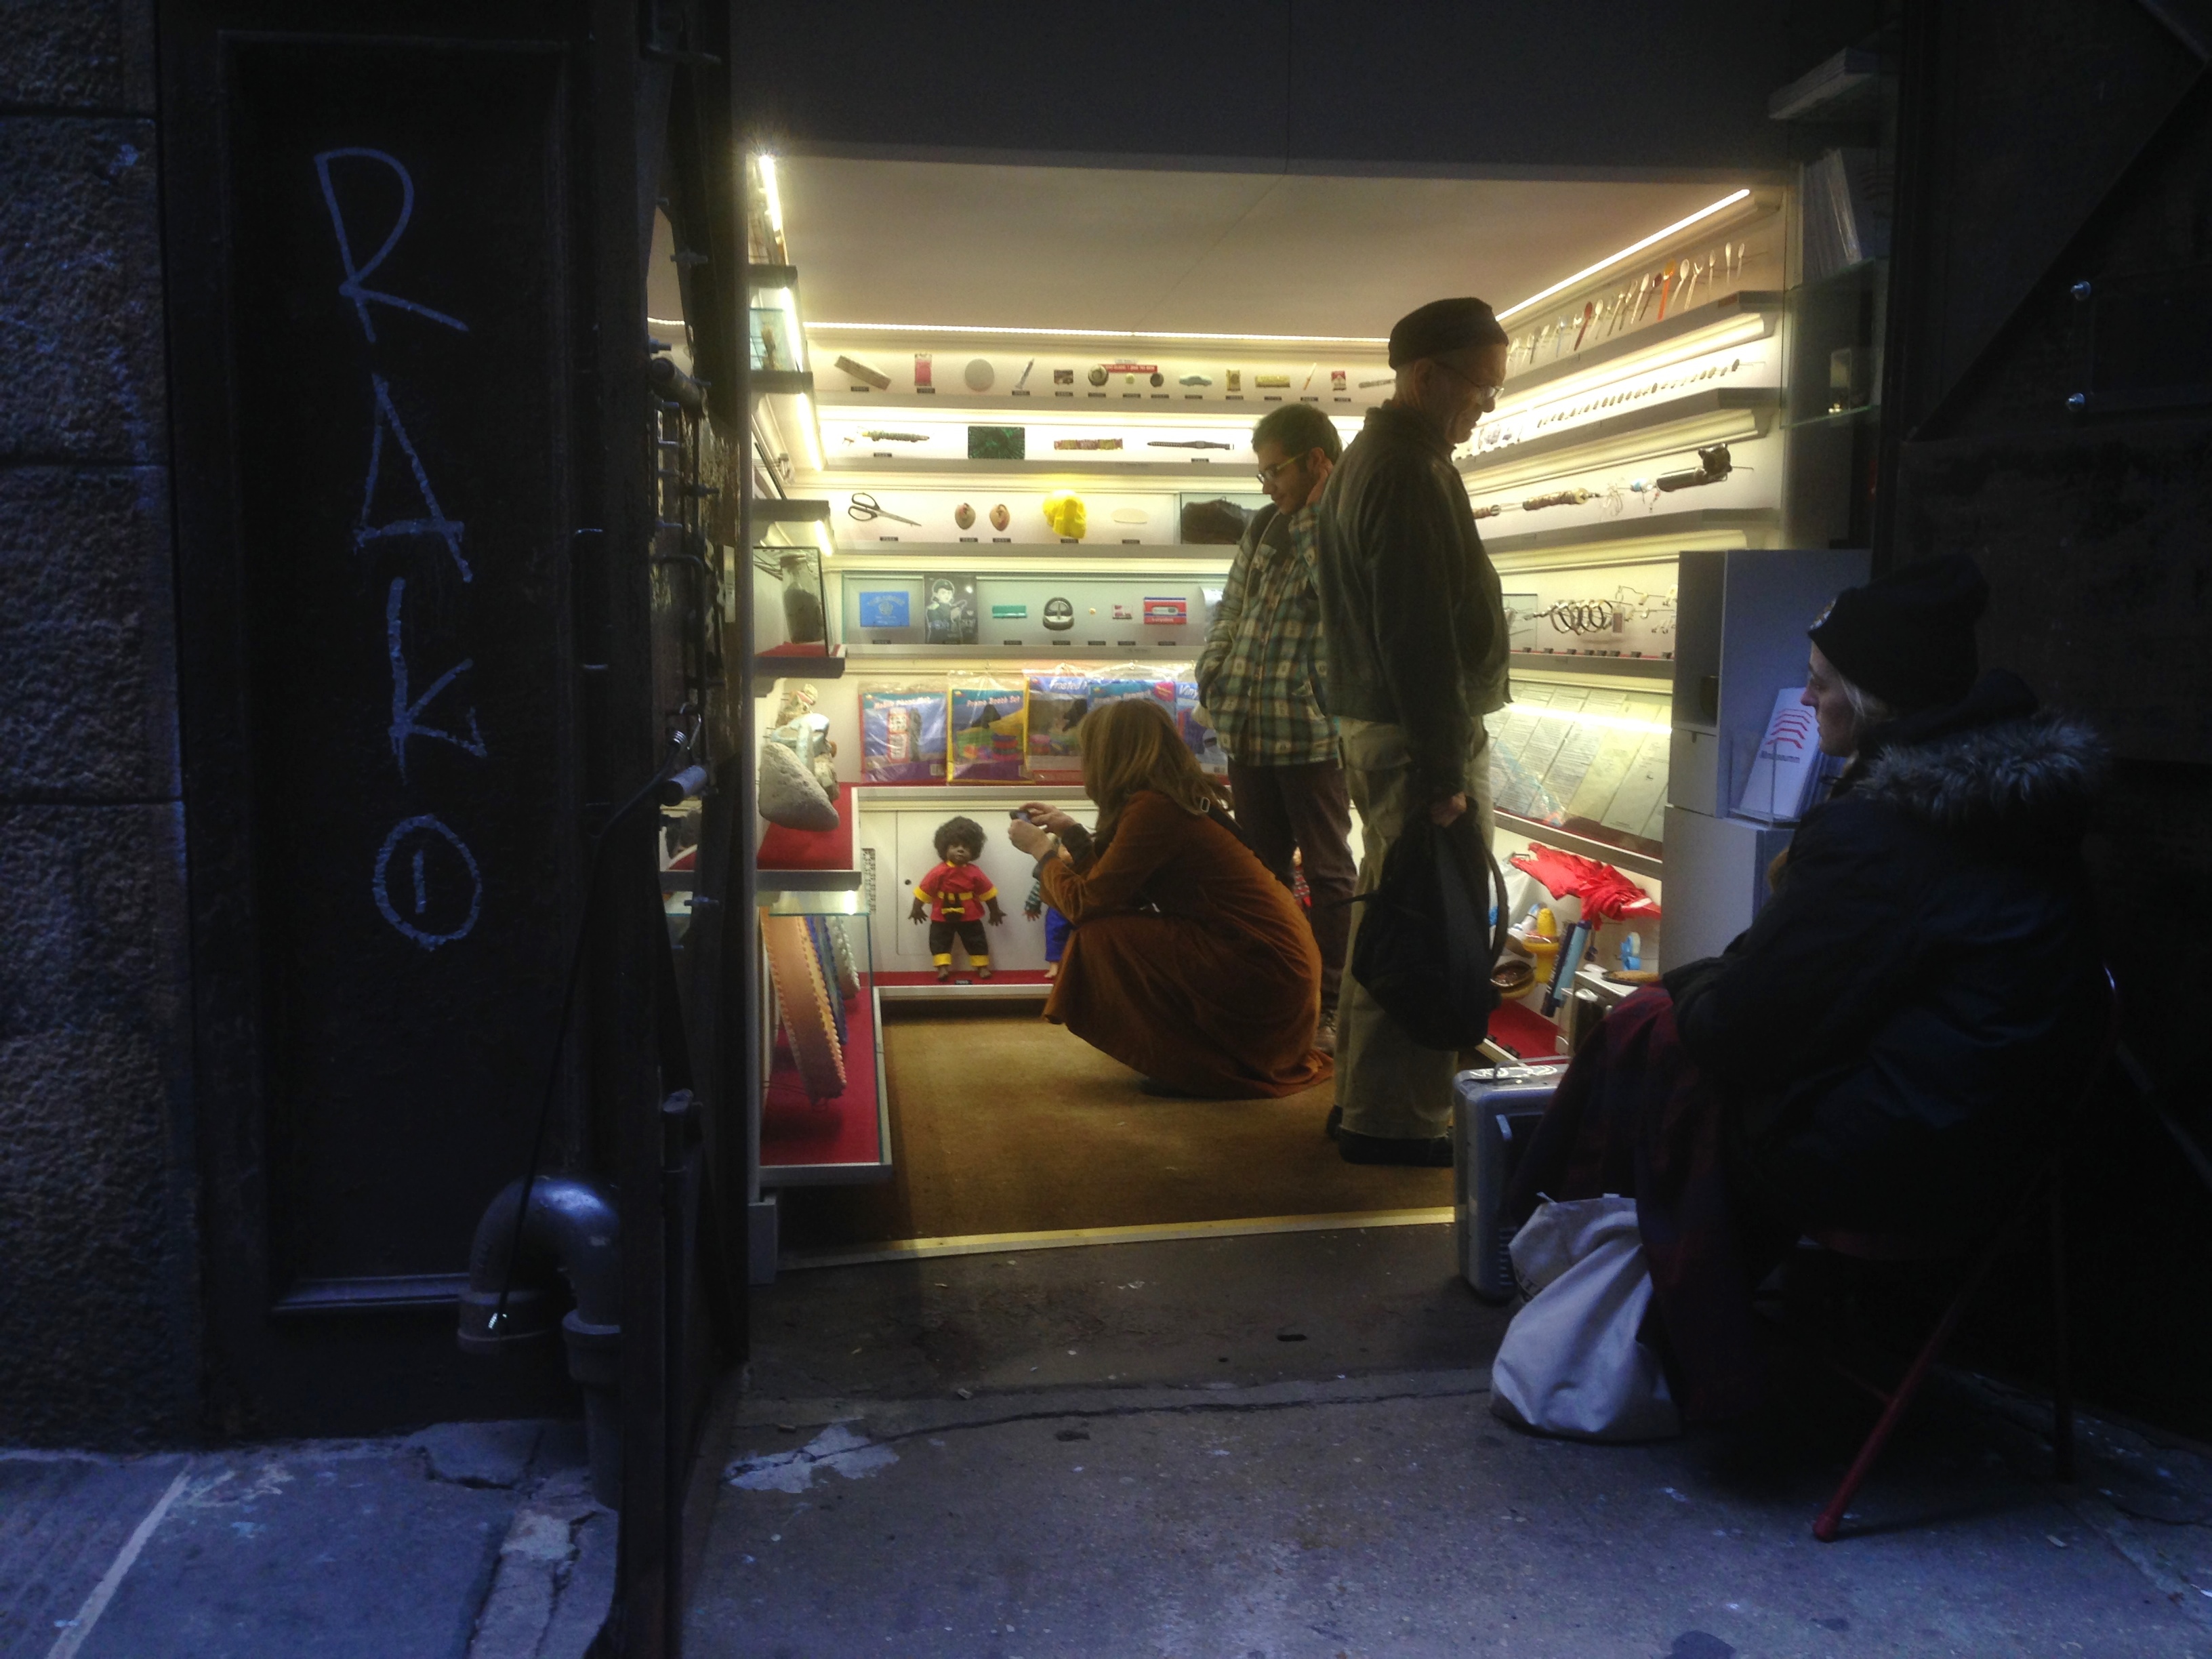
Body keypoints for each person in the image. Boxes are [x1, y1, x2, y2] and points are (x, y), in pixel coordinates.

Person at [1506, 554, 2106, 1422]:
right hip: (2000, 1141)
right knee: (1663, 1029)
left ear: (1870, 697)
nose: (1809, 695)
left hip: (1902, 1158)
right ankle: (1619, 1293)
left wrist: (1691, 988)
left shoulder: (1885, 831)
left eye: (1822, 682)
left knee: (1662, 1052)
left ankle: (1632, 1320)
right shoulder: (2011, 810)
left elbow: (1745, 1029)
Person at [1310, 296, 1512, 1165]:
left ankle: (1363, 1098)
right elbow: (1417, 631)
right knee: (1432, 926)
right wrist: (1443, 770)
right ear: (1427, 377)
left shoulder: (1370, 461)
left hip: (1381, 727)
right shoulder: (1407, 470)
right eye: (1480, 389)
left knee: (1391, 916)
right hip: (1415, 736)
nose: (1484, 409)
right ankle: (1395, 1121)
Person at [1008, 698, 1332, 1099]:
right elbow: (1112, 887)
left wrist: (1042, 850)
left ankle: (1191, 1066)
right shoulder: (1169, 797)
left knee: (1101, 936)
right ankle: (1195, 1060)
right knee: (1109, 930)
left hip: (1262, 967)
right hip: (1277, 967)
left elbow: (1087, 904)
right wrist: (1071, 832)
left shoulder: (1153, 808)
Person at [1194, 402, 1355, 1053]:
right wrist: (1215, 669)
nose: (1268, 487)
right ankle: (1274, 992)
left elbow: (1343, 602)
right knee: (1260, 871)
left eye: (1276, 472)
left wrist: (1316, 517)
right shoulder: (1264, 523)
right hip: (1249, 730)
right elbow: (1233, 604)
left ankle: (1333, 1004)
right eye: (1262, 475)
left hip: (1312, 735)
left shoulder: (1346, 523)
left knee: (1330, 871)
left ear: (1317, 462)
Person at [909, 816, 1004, 981]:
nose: (960, 850)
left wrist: (994, 911)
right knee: (939, 940)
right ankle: (942, 968)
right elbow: (925, 890)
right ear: (945, 849)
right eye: (955, 846)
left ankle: (982, 967)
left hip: (970, 913)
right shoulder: (938, 872)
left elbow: (987, 893)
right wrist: (917, 908)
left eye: (966, 847)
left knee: (976, 939)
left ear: (973, 851)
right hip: (941, 913)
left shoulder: (975, 872)